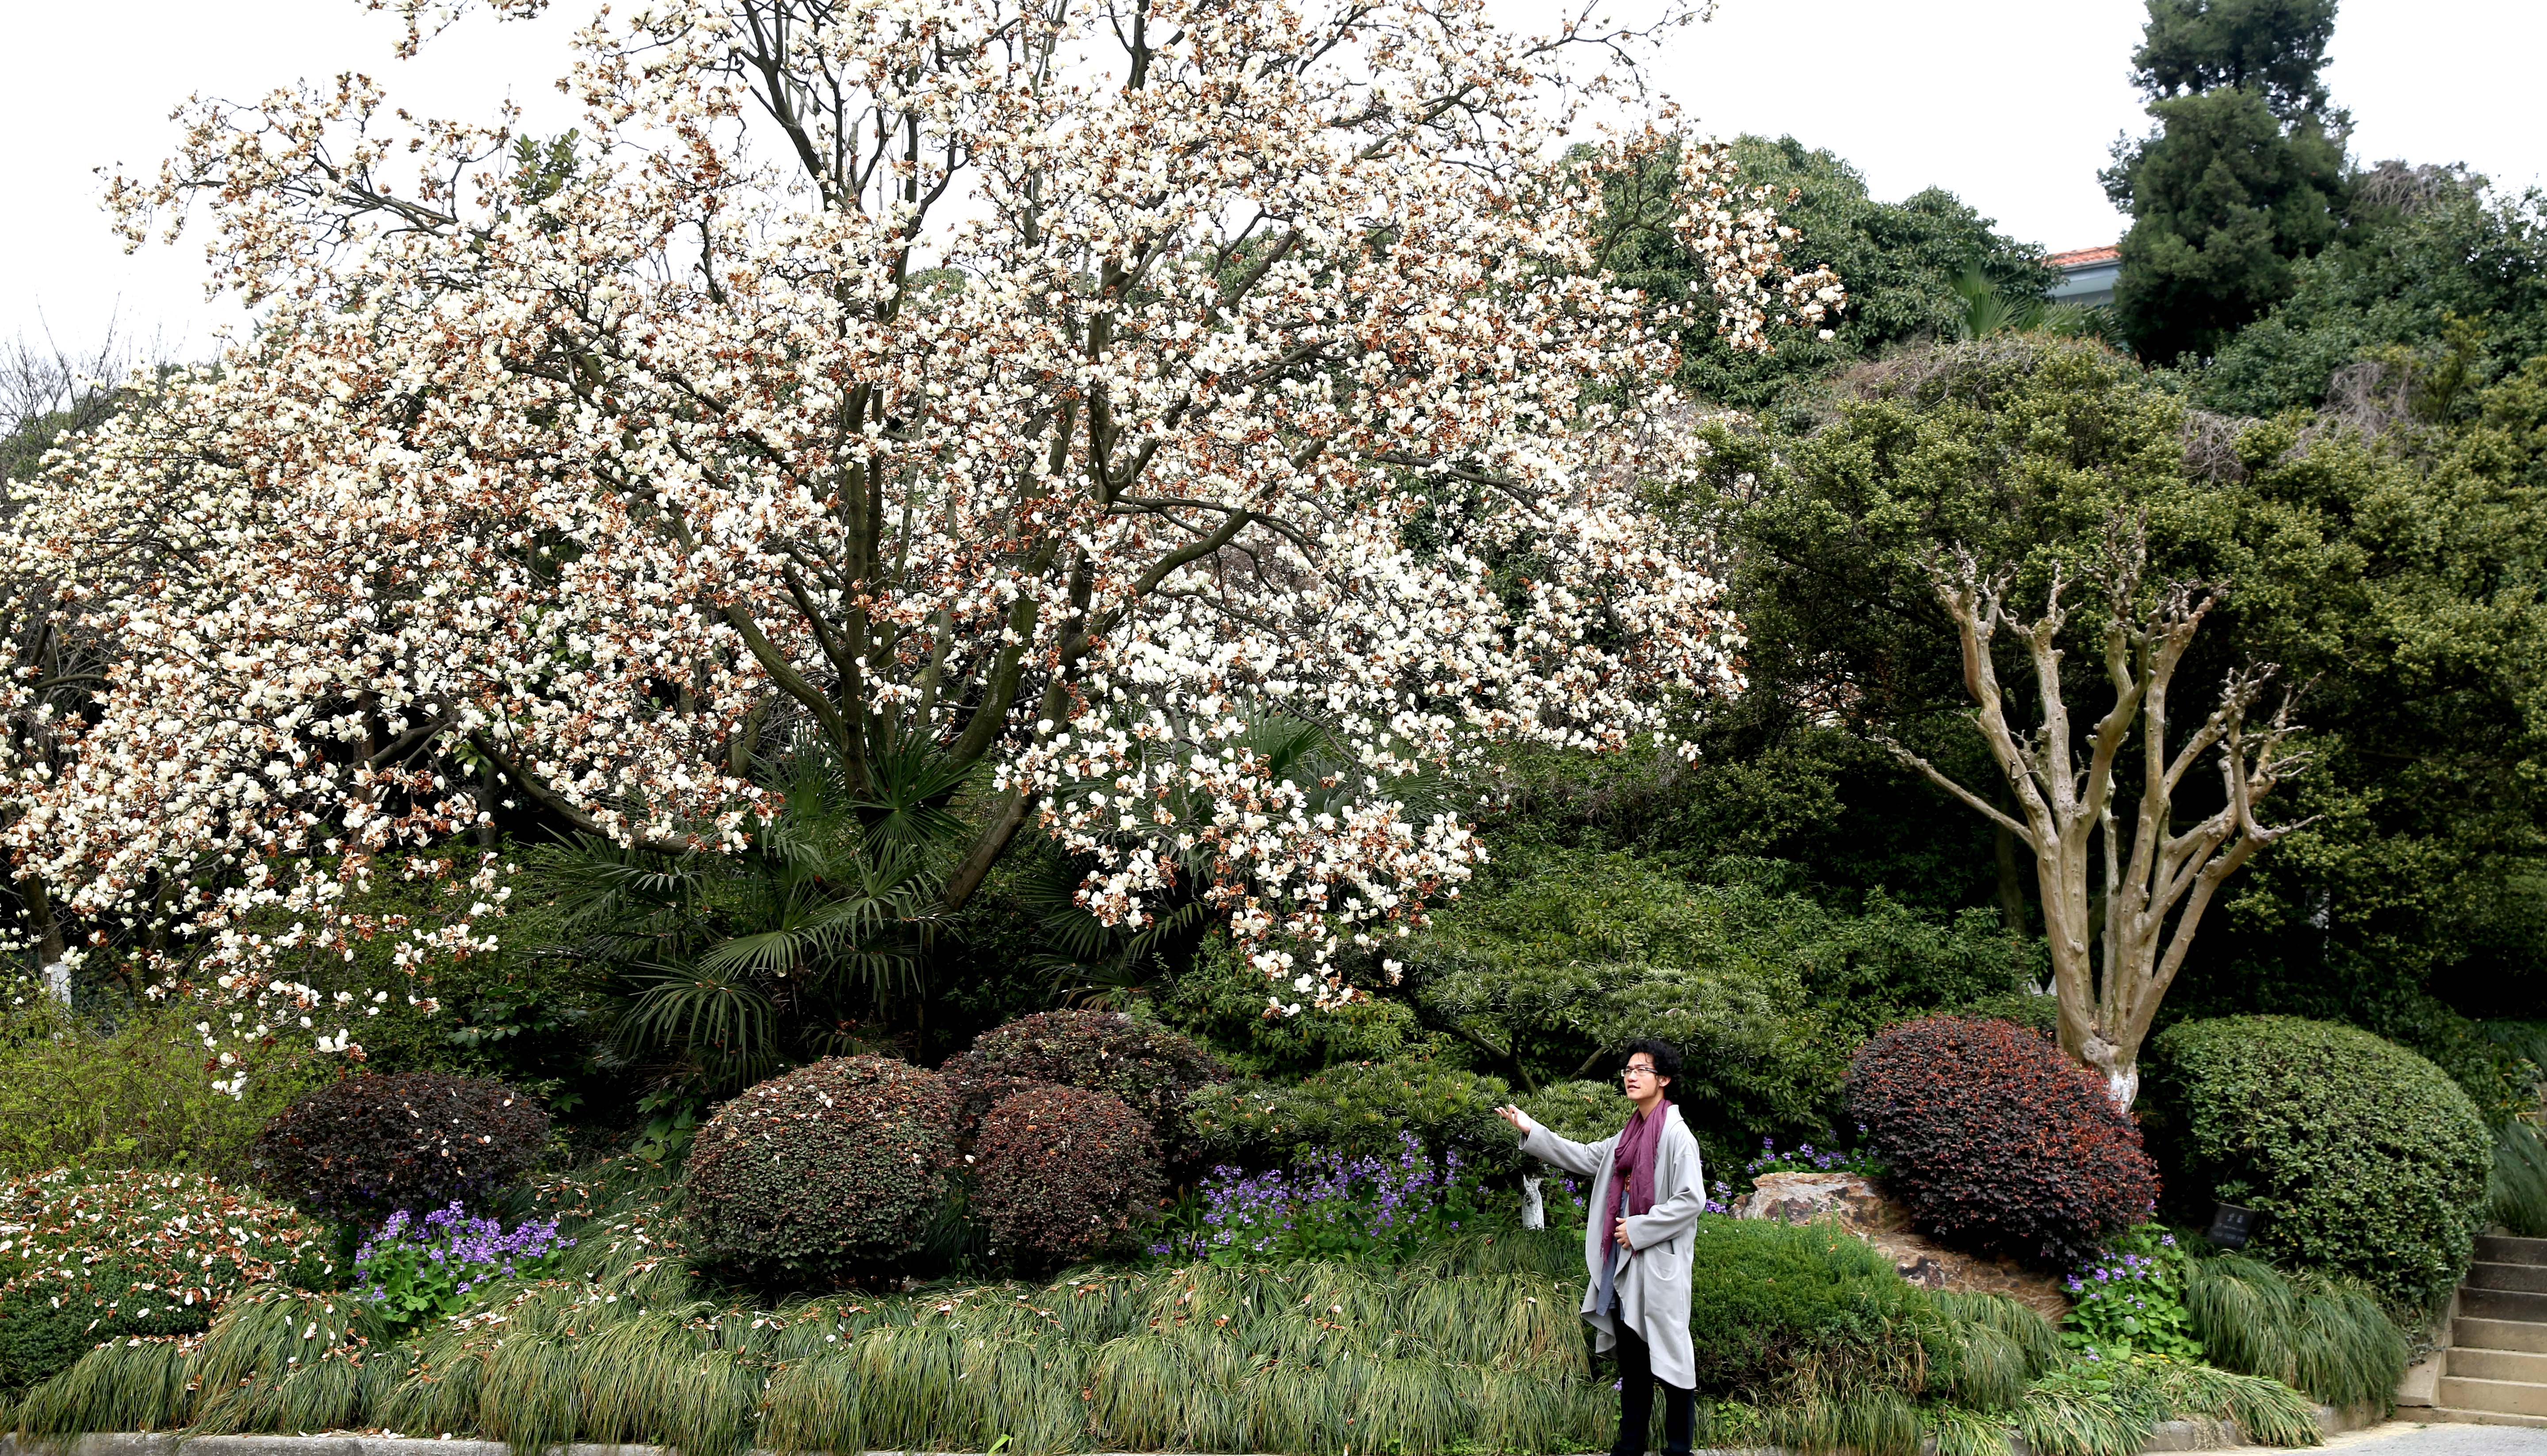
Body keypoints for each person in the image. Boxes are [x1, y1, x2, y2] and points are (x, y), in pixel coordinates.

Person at [1496, 1040, 1704, 1456]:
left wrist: (1642, 1228)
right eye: (1628, 1069)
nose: (1631, 1076)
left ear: (1664, 1079)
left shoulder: (1678, 1136)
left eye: (1642, 1070)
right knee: (1634, 1362)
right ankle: (1629, 1447)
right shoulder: (1629, 1136)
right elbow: (1585, 1156)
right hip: (1623, 1264)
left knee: (1674, 1361)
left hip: (1656, 1263)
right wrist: (1531, 1129)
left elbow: (1691, 1200)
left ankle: (1678, 1450)